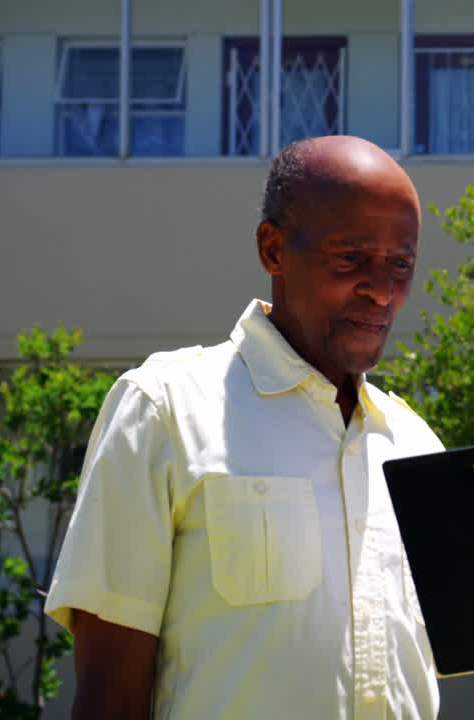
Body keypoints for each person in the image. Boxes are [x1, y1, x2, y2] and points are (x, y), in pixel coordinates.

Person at [44, 135, 442, 719]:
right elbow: (108, 696)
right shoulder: (164, 412)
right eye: (350, 258)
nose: (381, 290)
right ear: (273, 248)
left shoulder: (416, 446)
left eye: (400, 265)